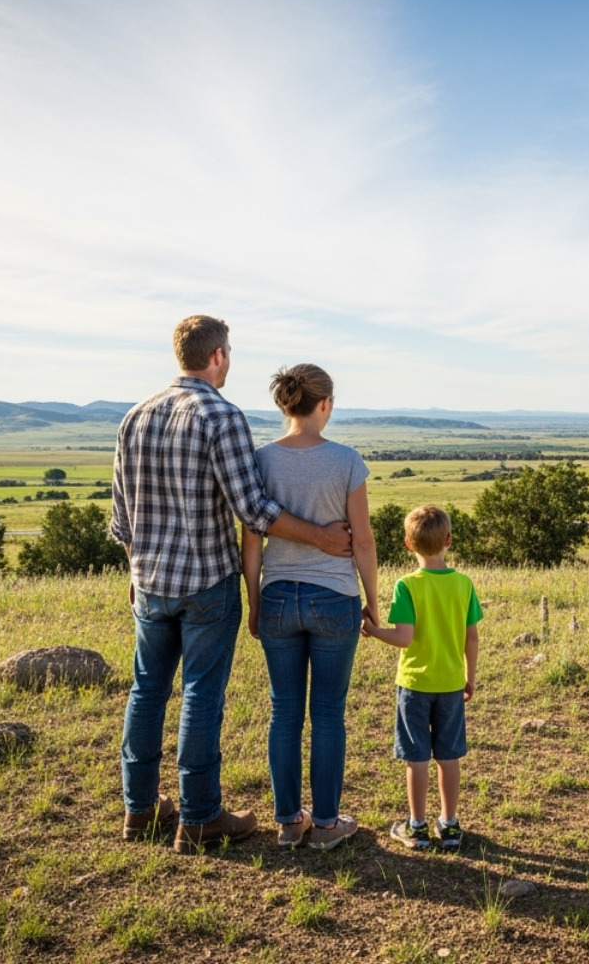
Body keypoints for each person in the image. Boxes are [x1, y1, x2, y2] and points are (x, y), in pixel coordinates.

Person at [110, 315, 354, 854]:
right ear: (217, 355)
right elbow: (254, 510)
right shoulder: (221, 416)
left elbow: (122, 517)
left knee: (146, 691)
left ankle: (140, 809)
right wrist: (321, 536)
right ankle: (198, 816)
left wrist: (135, 569)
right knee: (200, 693)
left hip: (150, 581)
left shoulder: (135, 415)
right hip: (206, 581)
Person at [241, 364, 378, 851]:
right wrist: (373, 603)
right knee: (327, 713)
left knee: (284, 712)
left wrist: (255, 603)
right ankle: (325, 824)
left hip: (278, 595)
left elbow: (252, 542)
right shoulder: (346, 461)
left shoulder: (260, 460)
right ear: (326, 405)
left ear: (285, 404)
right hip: (333, 598)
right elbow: (362, 541)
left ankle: (286, 822)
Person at [361, 505, 482, 851]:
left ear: (408, 545)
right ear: (449, 541)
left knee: (417, 757)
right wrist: (469, 677)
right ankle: (451, 826)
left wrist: (372, 629)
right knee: (449, 756)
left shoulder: (406, 586)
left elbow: (403, 638)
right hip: (451, 683)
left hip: (414, 685)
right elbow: (471, 637)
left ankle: (416, 827)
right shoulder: (463, 584)